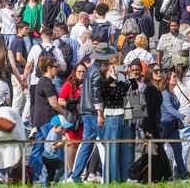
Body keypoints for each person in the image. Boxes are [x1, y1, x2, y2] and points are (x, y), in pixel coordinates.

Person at [68, 43, 115, 183]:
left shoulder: (90, 69)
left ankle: (75, 176)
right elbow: (96, 93)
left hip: (85, 110)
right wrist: (100, 113)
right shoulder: (98, 70)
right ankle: (107, 177)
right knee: (103, 144)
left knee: (87, 144)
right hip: (94, 112)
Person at [99, 56, 136, 183]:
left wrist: (129, 74)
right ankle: (112, 180)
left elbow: (134, 87)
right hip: (111, 119)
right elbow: (103, 91)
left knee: (124, 150)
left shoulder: (120, 85)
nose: (113, 71)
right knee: (113, 150)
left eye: (114, 69)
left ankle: (123, 179)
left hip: (124, 118)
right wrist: (112, 77)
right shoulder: (104, 84)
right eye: (110, 70)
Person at [29, 57, 64, 182]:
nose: (57, 69)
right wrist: (63, 113)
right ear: (49, 68)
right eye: (55, 67)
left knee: (38, 149)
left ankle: (31, 175)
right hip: (47, 119)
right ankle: (54, 177)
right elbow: (54, 103)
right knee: (51, 148)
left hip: (39, 119)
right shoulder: (47, 83)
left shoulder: (42, 81)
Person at [160, 70, 190, 180]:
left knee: (178, 150)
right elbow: (169, 109)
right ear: (168, 79)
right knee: (159, 150)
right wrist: (184, 116)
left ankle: (183, 173)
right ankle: (160, 173)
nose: (176, 78)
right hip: (164, 125)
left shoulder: (172, 91)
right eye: (173, 77)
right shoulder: (164, 93)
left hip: (172, 125)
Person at [58, 63, 86, 171]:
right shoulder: (68, 84)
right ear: (75, 72)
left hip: (82, 118)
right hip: (70, 117)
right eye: (79, 71)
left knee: (80, 145)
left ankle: (78, 170)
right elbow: (60, 101)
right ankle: (71, 170)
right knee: (72, 144)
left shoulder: (86, 84)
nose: (81, 73)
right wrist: (71, 104)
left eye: (83, 71)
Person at [43, 114, 72, 184]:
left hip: (47, 156)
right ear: (55, 126)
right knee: (62, 167)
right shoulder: (53, 134)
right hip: (49, 156)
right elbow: (53, 147)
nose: (63, 130)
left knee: (51, 172)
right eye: (62, 128)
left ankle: (48, 184)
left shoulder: (56, 132)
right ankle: (55, 182)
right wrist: (62, 142)